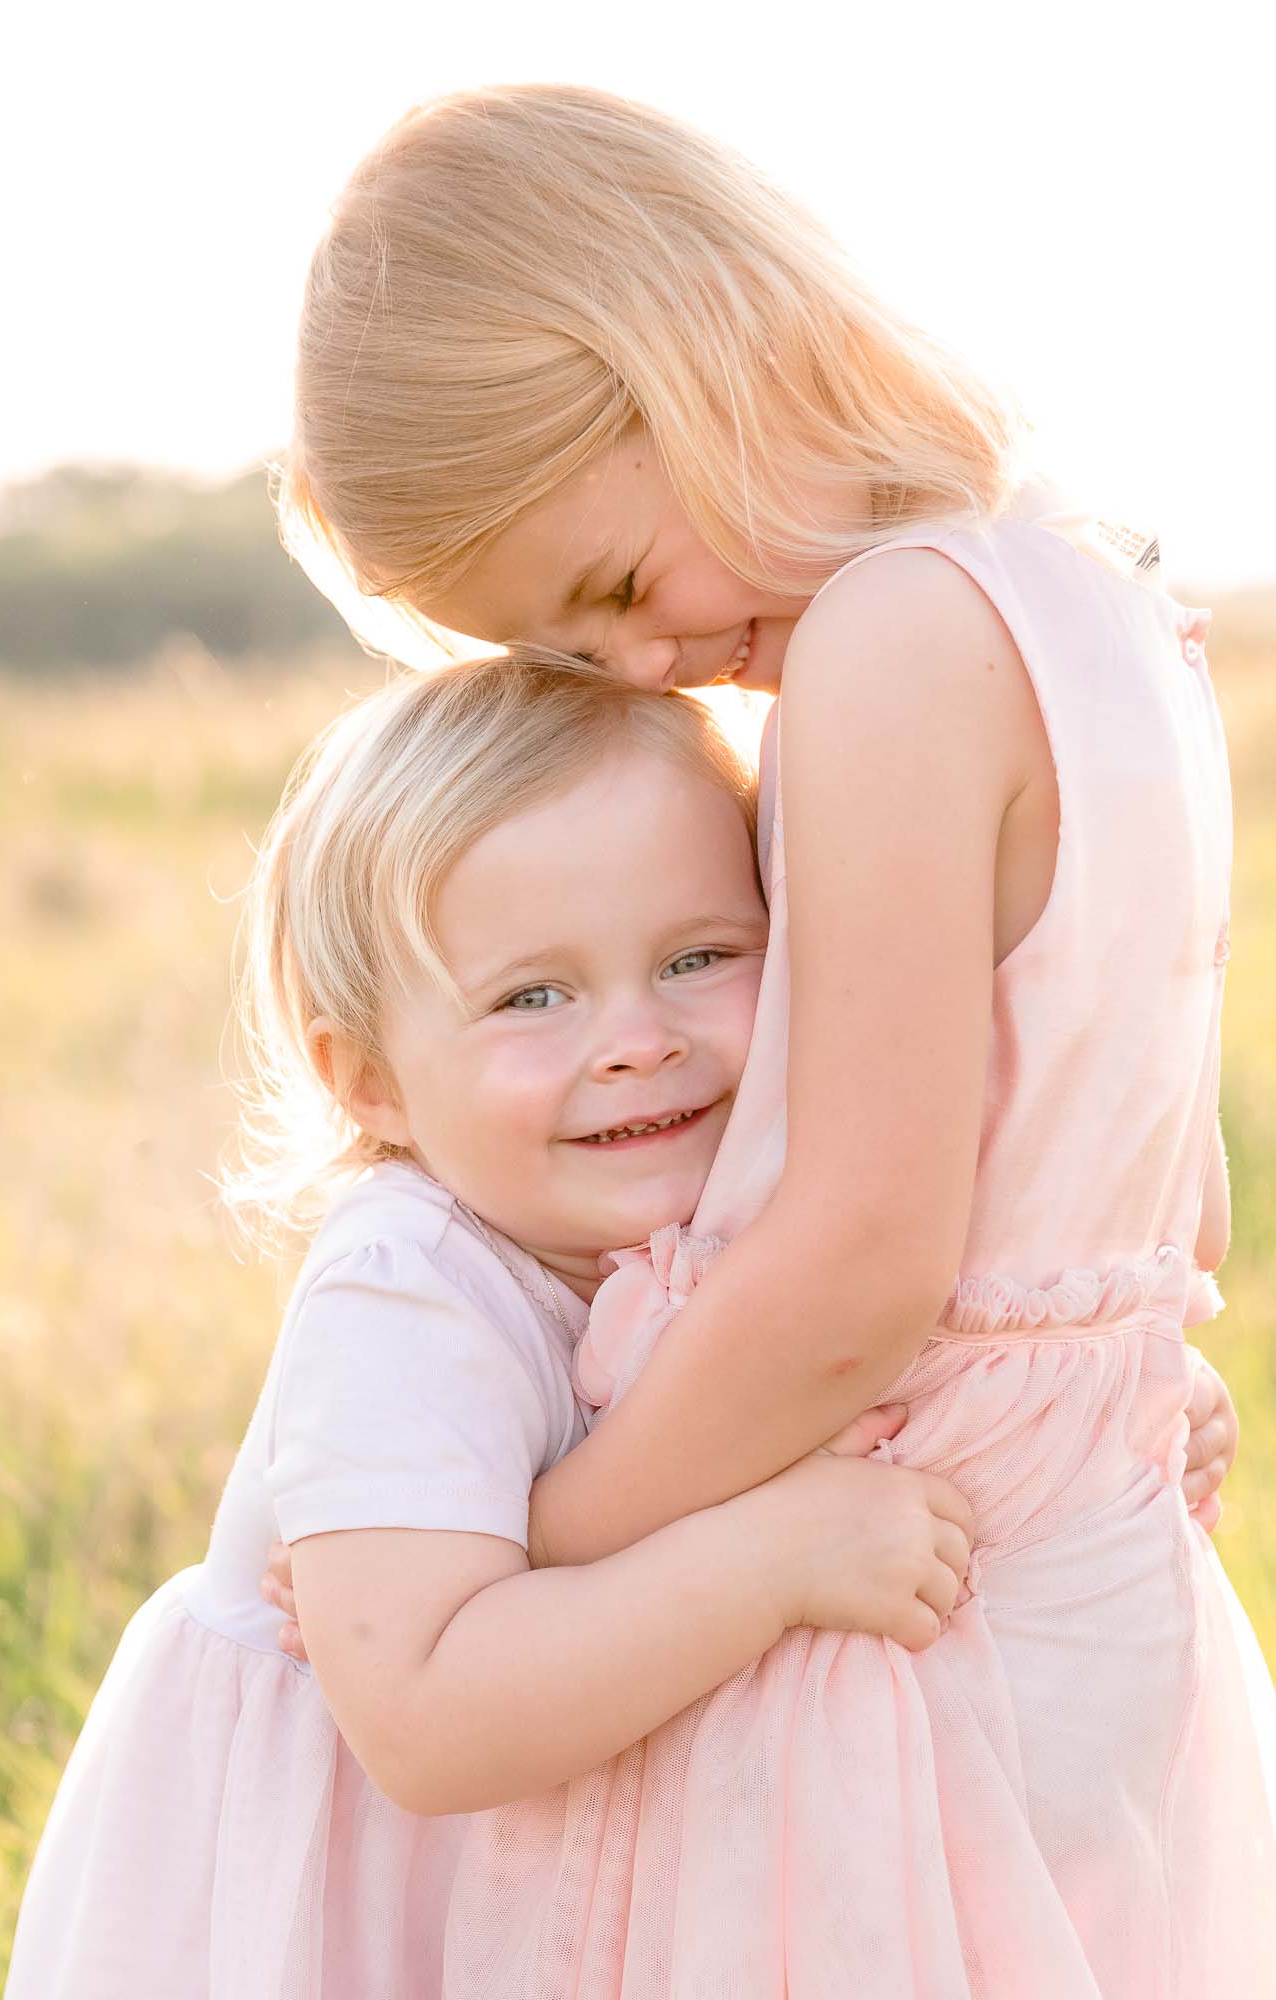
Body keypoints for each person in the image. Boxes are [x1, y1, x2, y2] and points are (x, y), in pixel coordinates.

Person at [266, 83, 1274, 1994]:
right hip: (1078, 1552)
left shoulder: (892, 642)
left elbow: (861, 1268)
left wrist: (543, 1551)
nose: (648, 670)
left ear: (693, 351)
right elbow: (1176, 1198)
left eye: (615, 592)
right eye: (578, 657)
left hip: (903, 1586)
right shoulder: (1107, 605)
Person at [3, 654, 983, 1999]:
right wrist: (771, 1563)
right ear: (369, 1079)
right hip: (357, 1902)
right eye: (533, 996)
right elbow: (430, 1729)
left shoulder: (771, 1215)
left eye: (698, 957)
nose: (636, 1039)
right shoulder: (406, 1291)